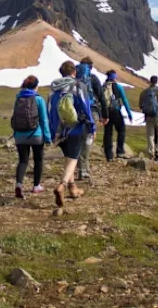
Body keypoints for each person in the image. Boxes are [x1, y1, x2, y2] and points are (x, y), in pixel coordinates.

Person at [49, 61, 96, 207]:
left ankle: (73, 188)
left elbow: (50, 110)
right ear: (74, 72)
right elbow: (86, 107)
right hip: (76, 128)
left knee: (68, 158)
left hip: (59, 130)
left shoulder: (54, 89)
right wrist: (92, 126)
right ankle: (62, 185)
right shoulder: (78, 86)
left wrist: (52, 132)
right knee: (73, 159)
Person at [11, 75, 52, 198]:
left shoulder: (18, 98)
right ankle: (36, 186)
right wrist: (47, 137)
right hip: (36, 135)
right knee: (38, 160)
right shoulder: (38, 99)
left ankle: (19, 184)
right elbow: (44, 120)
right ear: (36, 86)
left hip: (20, 135)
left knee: (23, 160)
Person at [75, 57, 108, 180]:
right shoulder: (93, 78)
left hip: (77, 112)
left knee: (79, 139)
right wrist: (105, 115)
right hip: (92, 111)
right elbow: (101, 97)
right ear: (91, 67)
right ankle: (84, 169)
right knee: (88, 139)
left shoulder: (74, 78)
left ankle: (80, 168)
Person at [102, 70, 134, 161]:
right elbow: (124, 100)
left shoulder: (103, 86)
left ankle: (108, 155)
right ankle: (120, 152)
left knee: (108, 132)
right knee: (121, 130)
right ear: (114, 77)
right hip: (116, 111)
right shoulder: (118, 87)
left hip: (106, 112)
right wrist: (129, 113)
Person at [138, 75, 158, 161]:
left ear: (150, 81)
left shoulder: (144, 92)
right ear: (157, 81)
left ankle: (151, 153)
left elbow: (140, 105)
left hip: (148, 116)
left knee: (150, 135)